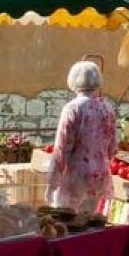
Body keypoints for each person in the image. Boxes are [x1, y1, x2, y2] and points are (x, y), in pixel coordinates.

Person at [46, 61, 117, 212]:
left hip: (76, 177)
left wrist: (51, 184)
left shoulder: (73, 108)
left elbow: (62, 149)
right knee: (91, 223)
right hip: (101, 175)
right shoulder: (108, 108)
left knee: (70, 222)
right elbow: (113, 148)